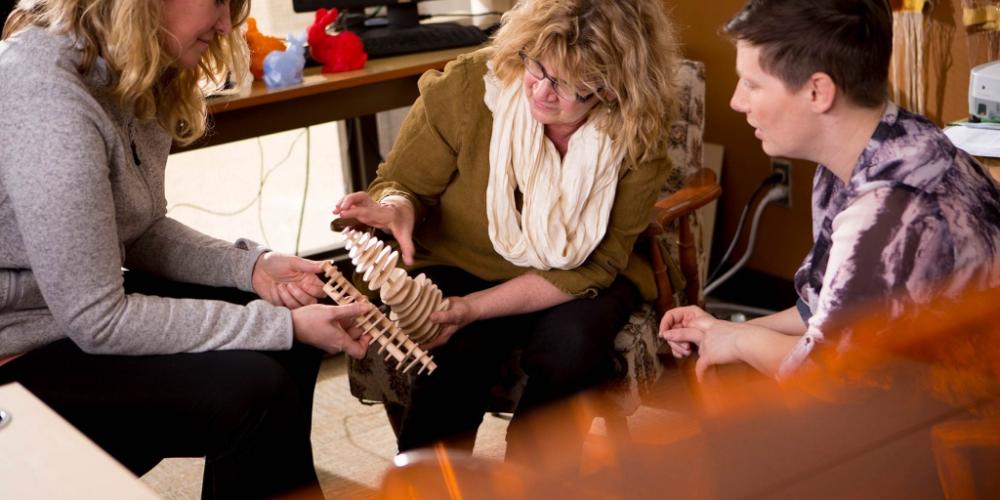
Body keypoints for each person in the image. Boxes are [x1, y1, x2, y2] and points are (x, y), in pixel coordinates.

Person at [0, 0, 373, 497]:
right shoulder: (46, 95)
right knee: (257, 390)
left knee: (290, 317)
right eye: (217, 2)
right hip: (17, 350)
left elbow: (140, 229)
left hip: (66, 320)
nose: (226, 24)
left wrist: (254, 269)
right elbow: (98, 319)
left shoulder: (136, 69)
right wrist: (278, 327)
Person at [334, 0, 679, 471]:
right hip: (463, 261)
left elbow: (596, 265)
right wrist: (394, 209)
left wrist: (474, 309)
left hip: (580, 276)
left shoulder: (637, 132)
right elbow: (405, 184)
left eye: (566, 85)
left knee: (572, 348)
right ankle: (426, 485)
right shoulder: (470, 86)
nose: (539, 90)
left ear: (613, 89)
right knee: (454, 353)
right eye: (535, 65)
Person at [660, 0, 1000, 382]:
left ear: (818, 91)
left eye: (752, 83)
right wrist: (722, 329)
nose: (736, 102)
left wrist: (738, 343)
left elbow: (824, 376)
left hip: (954, 425)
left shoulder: (888, 213)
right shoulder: (891, 141)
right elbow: (826, 308)